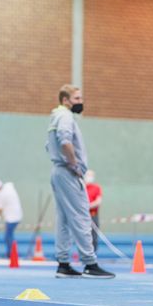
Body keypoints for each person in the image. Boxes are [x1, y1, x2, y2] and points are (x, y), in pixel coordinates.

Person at [45, 84, 114, 279]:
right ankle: (90, 263)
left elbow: (48, 145)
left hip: (58, 171)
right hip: (67, 172)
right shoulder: (65, 117)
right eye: (77, 98)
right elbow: (65, 140)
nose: (80, 102)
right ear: (65, 100)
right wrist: (75, 165)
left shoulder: (55, 117)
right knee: (81, 216)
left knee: (64, 219)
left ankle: (63, 263)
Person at [0, 179, 23, 258]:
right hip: (15, 216)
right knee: (9, 235)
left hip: (12, 217)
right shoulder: (9, 189)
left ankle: (11, 253)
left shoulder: (3, 194)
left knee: (8, 236)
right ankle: (11, 252)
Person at [84, 170, 102, 253]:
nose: (89, 177)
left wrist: (88, 206)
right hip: (83, 216)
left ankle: (93, 254)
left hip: (93, 215)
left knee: (93, 236)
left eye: (91, 175)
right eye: (88, 175)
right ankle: (84, 254)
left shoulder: (96, 188)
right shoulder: (81, 187)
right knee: (83, 235)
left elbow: (98, 201)